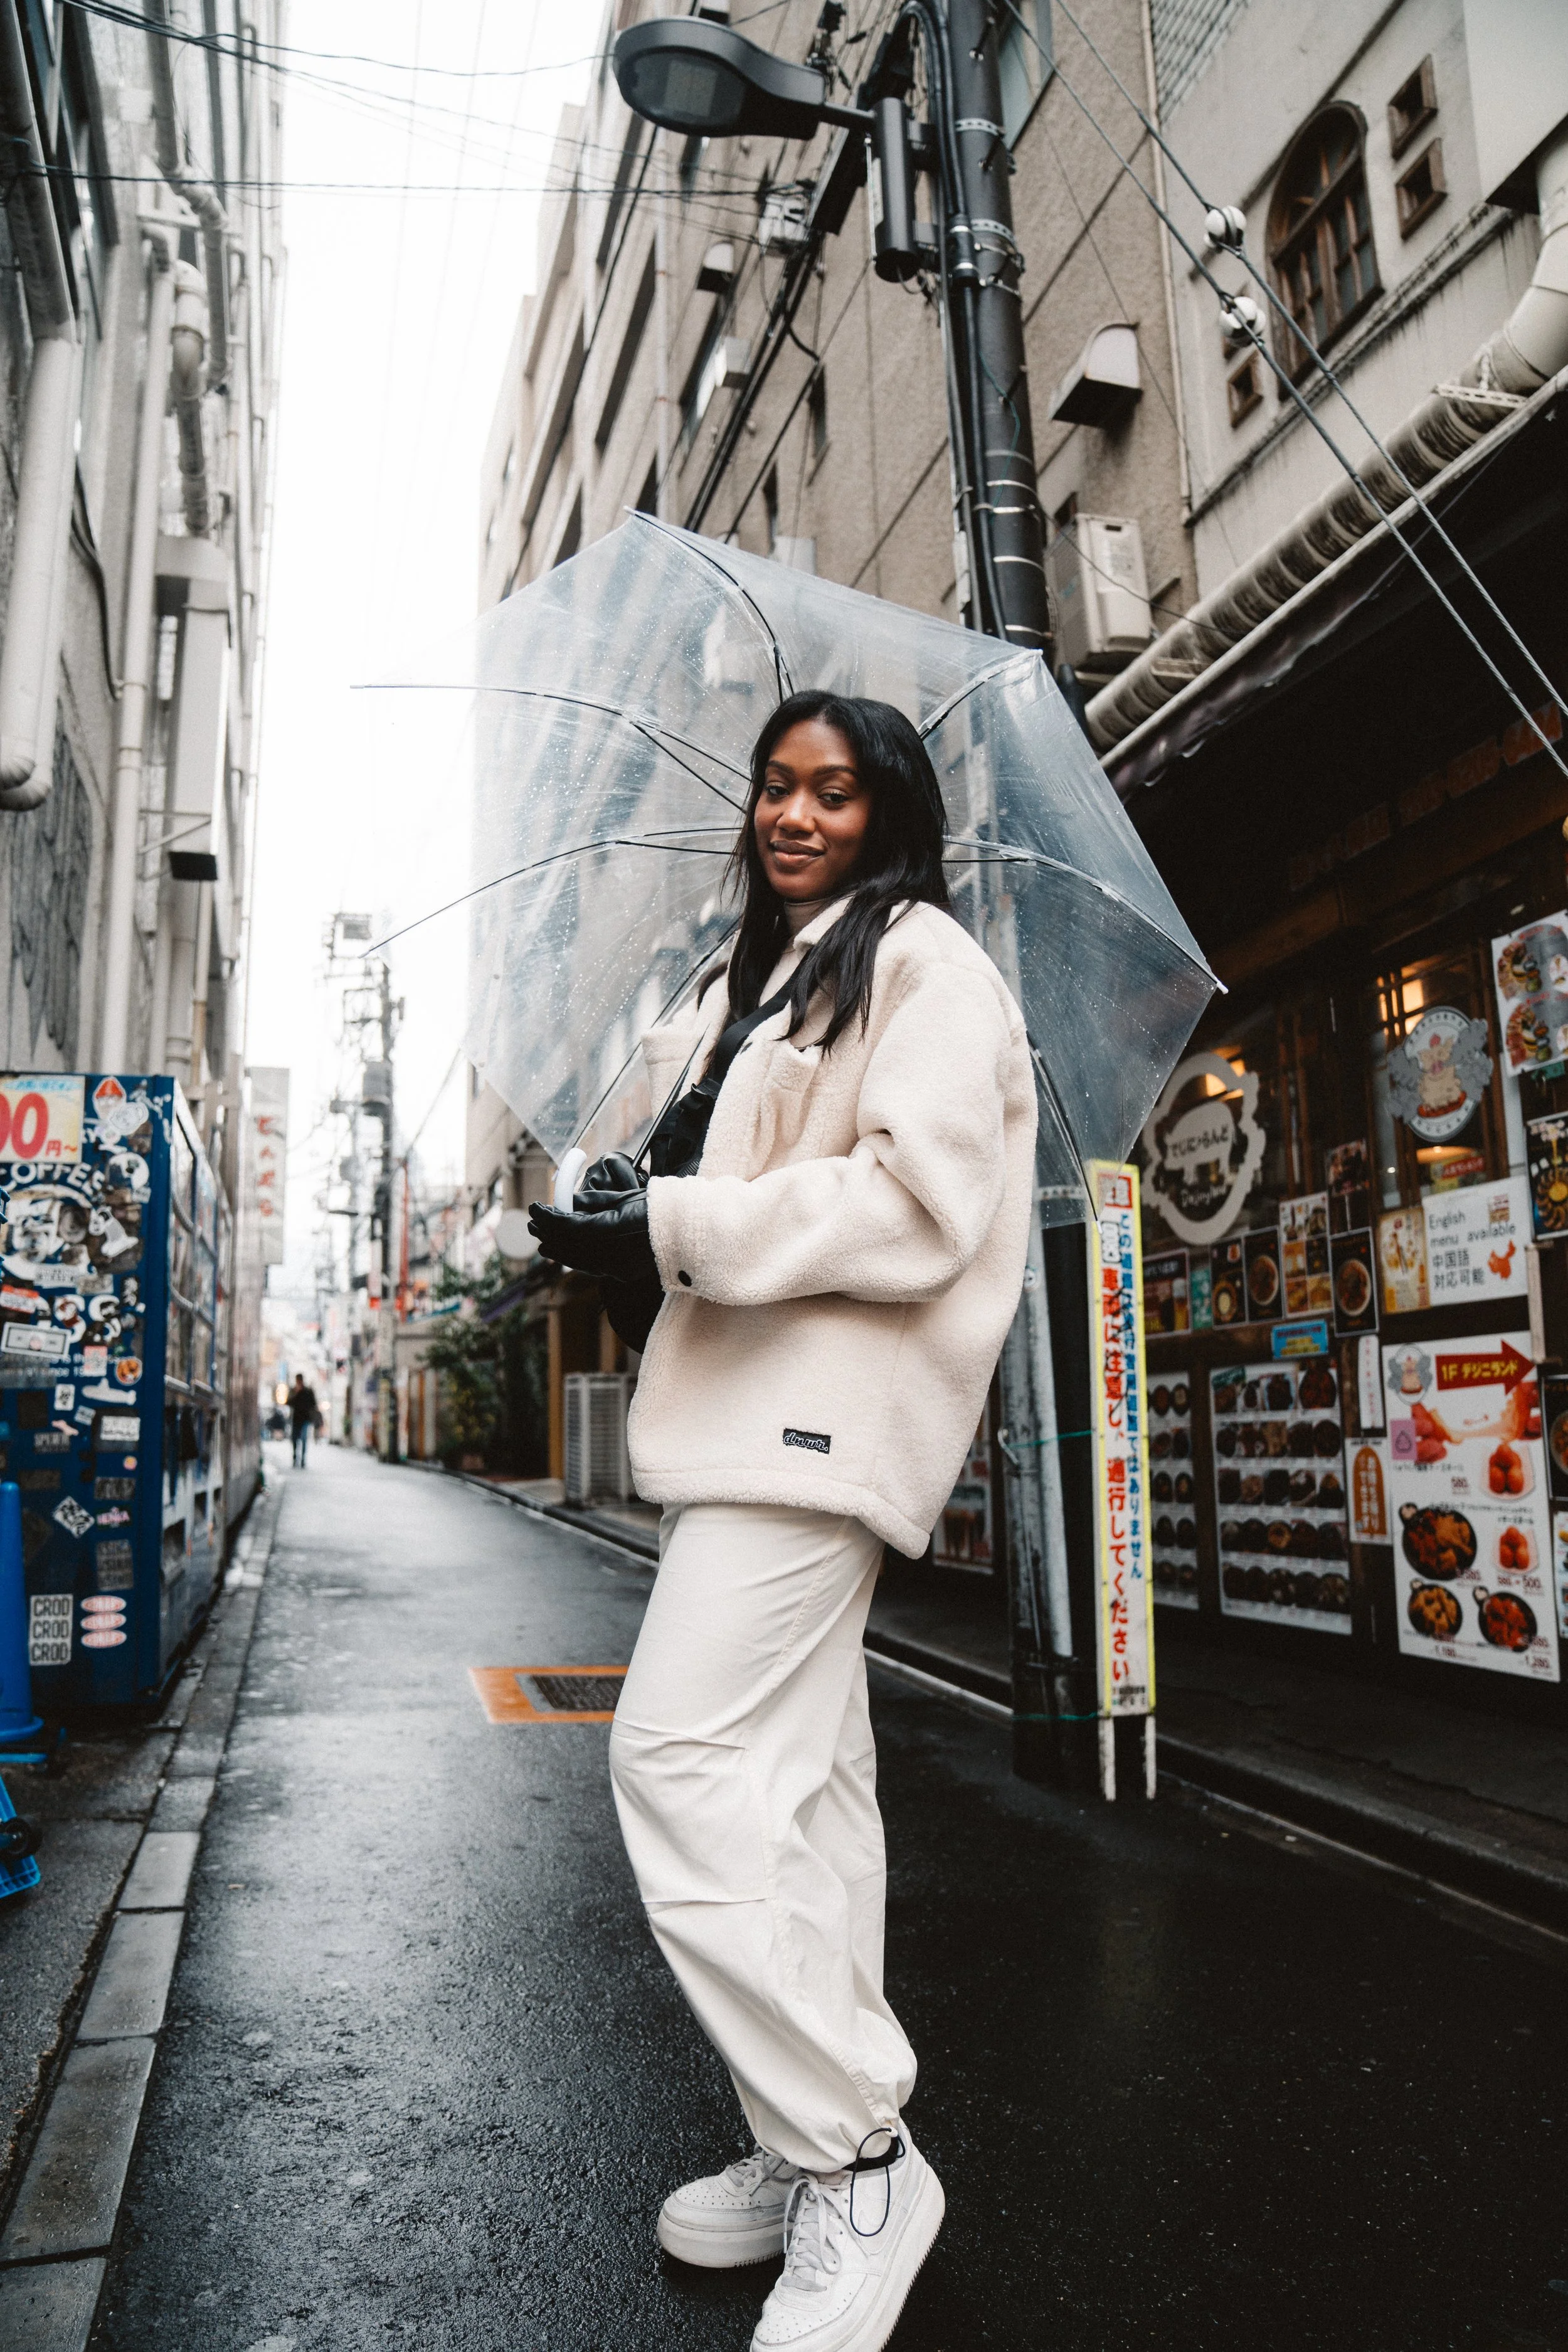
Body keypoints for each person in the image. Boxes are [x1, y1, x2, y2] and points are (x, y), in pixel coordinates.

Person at [529, 692, 1035, 2352]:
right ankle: (797, 2133)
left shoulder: (924, 966)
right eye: (774, 784)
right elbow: (733, 1200)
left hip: (817, 1432)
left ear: (891, 814)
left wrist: (678, 1216)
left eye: (832, 789)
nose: (792, 812)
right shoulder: (792, 979)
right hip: (756, 1426)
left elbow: (913, 1203)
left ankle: (858, 2149)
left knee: (671, 1756)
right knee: (799, 1798)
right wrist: (629, 1215)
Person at [288, 1373, 319, 1468]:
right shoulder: (293, 1390)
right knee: (294, 1439)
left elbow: (314, 1404)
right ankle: (295, 1457)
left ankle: (303, 1460)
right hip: (296, 1418)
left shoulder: (308, 1391)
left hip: (305, 1419)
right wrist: (296, 1393)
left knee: (304, 1439)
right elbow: (288, 1402)